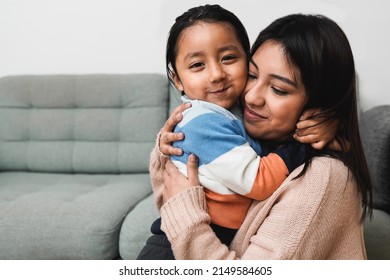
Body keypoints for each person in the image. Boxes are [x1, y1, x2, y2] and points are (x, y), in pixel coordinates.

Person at [151, 13, 373, 259]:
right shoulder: (250, 133)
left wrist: (185, 217)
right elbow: (167, 187)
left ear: (320, 103)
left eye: (278, 89)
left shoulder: (323, 178)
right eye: (253, 75)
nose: (250, 97)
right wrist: (167, 144)